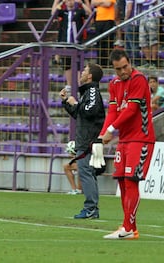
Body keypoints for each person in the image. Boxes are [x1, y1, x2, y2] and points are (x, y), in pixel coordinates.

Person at [100, 49, 155, 239]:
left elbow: (131, 110)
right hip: (124, 139)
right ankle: (130, 228)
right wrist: (103, 134)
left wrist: (111, 129)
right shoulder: (114, 84)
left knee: (131, 180)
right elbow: (113, 112)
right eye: (118, 69)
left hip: (141, 137)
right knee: (123, 181)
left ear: (130, 63)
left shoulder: (139, 79)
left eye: (125, 67)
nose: (123, 71)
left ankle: (128, 227)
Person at [59, 62, 105, 219]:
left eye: (85, 70)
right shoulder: (88, 92)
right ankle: (92, 208)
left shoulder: (92, 91)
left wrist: (75, 103)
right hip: (86, 140)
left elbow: (90, 111)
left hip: (88, 141)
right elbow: (81, 114)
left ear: (90, 75)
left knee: (86, 173)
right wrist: (66, 102)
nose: (82, 72)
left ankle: (91, 208)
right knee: (87, 173)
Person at [52, 0, 92, 88]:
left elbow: (89, 13)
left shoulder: (79, 11)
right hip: (65, 42)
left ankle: (79, 84)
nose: (70, 2)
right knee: (67, 64)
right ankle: (69, 85)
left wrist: (82, 3)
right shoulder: (63, 12)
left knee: (78, 65)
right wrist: (59, 2)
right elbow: (53, 13)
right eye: (68, 0)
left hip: (76, 42)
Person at [91, 0, 116, 66]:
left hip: (109, 19)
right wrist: (102, 3)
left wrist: (98, 3)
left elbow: (108, 4)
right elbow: (92, 3)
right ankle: (100, 62)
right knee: (99, 42)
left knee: (108, 42)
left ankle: (109, 62)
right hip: (98, 20)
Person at [138, 0, 161, 69]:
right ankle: (147, 61)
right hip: (142, 16)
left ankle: (154, 62)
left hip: (153, 16)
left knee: (153, 40)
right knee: (142, 40)